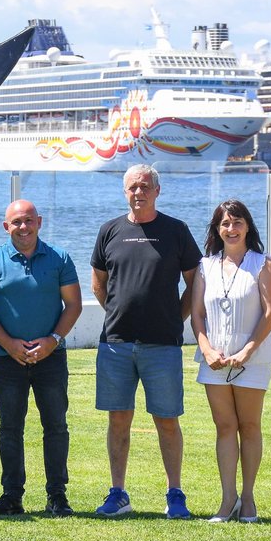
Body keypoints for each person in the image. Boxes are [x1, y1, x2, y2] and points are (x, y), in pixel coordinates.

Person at [91, 164, 202, 518]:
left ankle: (175, 494)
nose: (138, 192)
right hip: (116, 343)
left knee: (167, 420)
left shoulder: (176, 230)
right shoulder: (109, 230)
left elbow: (195, 283)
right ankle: (118, 493)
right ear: (125, 192)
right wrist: (118, 312)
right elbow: (98, 282)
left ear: (157, 190)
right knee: (118, 419)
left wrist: (174, 318)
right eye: (132, 187)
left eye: (144, 186)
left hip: (163, 345)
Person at [0, 200, 83, 517]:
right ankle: (11, 497)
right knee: (9, 428)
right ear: (6, 226)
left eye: (29, 221)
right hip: (8, 359)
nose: (24, 227)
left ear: (39, 222)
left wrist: (53, 340)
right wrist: (8, 345)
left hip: (52, 358)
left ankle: (57, 496)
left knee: (56, 426)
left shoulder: (59, 258)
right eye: (17, 222)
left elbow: (73, 304)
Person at [189, 200, 271, 523]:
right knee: (225, 427)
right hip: (214, 361)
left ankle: (248, 497)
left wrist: (247, 351)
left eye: (237, 222)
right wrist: (207, 350)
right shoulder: (205, 266)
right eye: (225, 223)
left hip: (252, 360)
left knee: (250, 426)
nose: (231, 229)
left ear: (247, 226)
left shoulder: (262, 264)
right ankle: (228, 499)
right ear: (217, 229)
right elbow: (197, 315)